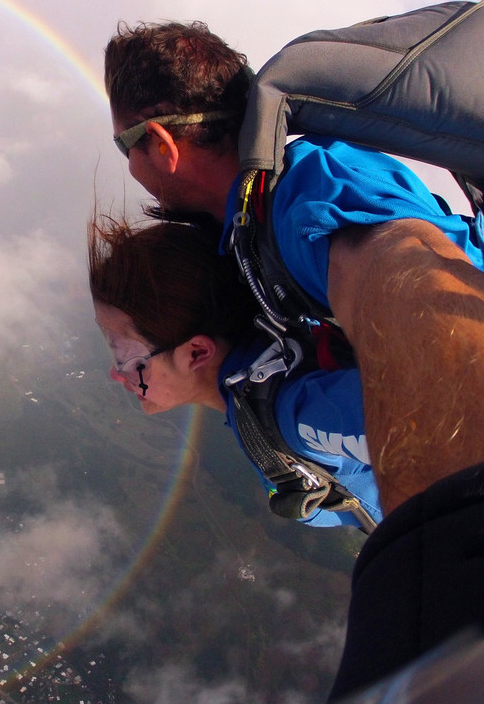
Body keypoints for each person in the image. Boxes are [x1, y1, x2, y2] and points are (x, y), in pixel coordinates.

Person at [103, 21, 484, 703]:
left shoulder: (307, 187)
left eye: (125, 145)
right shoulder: (247, 233)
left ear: (163, 143)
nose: (128, 166)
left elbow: (416, 284)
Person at [88, 214, 379, 528]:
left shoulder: (294, 413)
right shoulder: (260, 386)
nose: (116, 374)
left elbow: (434, 426)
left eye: (127, 357)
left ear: (196, 352)